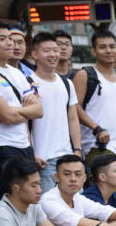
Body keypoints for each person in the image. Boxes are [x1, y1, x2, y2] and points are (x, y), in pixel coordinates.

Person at [0, 19, 43, 194]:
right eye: (3, 39)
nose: (10, 43)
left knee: (30, 198)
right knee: (8, 198)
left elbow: (39, 110)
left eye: (10, 39)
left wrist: (14, 111)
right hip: (0, 147)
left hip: (24, 145)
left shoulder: (17, 73)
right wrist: (18, 112)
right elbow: (7, 117)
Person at [73, 30, 116, 199]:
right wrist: (97, 129)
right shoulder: (85, 75)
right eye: (102, 47)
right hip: (97, 146)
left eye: (111, 46)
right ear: (94, 51)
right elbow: (75, 108)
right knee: (103, 198)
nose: (108, 51)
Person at [30, 32, 81, 193]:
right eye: (47, 50)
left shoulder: (67, 84)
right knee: (48, 210)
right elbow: (24, 123)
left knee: (75, 206)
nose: (53, 54)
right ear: (35, 54)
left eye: (55, 50)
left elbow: (73, 119)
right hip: (43, 159)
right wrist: (32, 153)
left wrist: (77, 150)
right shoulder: (28, 83)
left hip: (67, 156)